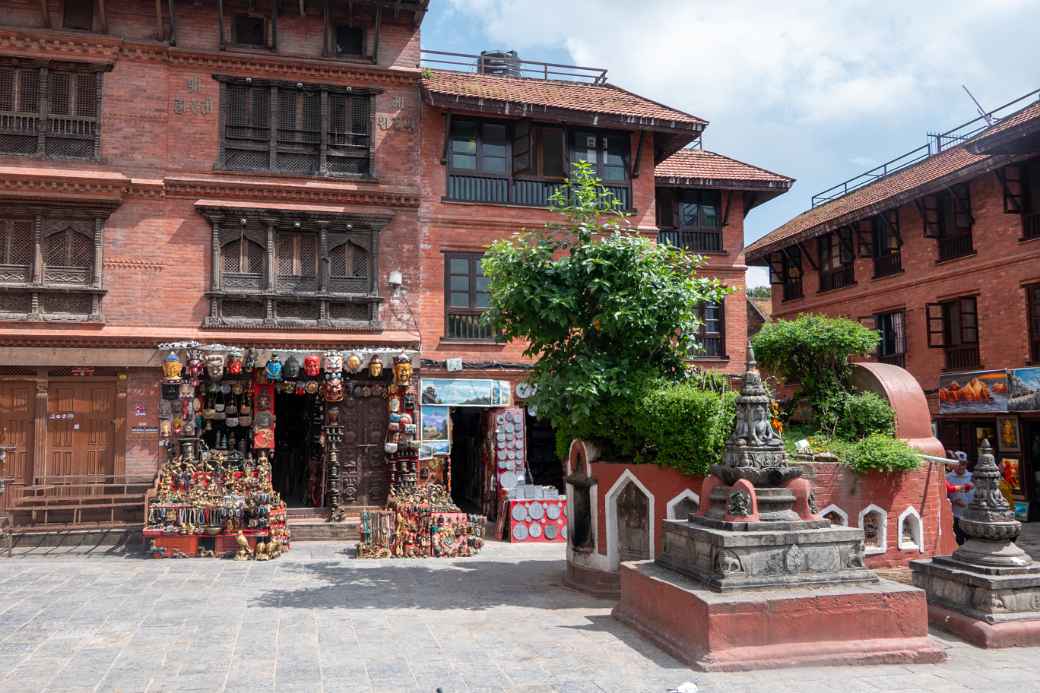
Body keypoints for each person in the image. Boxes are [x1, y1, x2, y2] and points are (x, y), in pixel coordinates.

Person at [946, 452, 974, 545]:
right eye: (958, 464)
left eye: (963, 464)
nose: (961, 467)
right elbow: (945, 494)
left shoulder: (973, 477)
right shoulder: (948, 477)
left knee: (972, 543)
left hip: (971, 516)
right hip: (956, 516)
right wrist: (953, 501)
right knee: (958, 542)